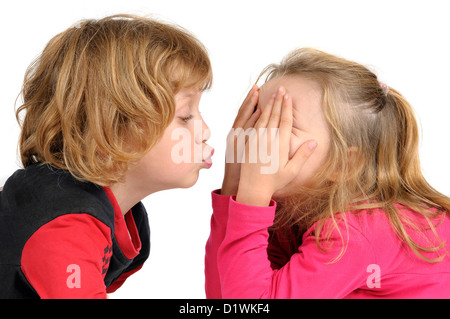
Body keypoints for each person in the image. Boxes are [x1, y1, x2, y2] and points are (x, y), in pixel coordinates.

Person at [205, 48, 450, 298]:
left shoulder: (355, 234)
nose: (257, 135)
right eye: (256, 115)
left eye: (281, 123)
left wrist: (251, 200)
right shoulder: (290, 215)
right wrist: (233, 189)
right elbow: (224, 296)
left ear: (343, 164)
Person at [0, 14, 213, 299]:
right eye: (185, 116)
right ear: (111, 128)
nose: (206, 131)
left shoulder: (120, 217)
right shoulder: (67, 225)